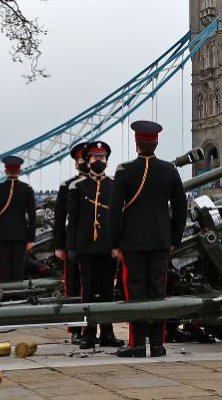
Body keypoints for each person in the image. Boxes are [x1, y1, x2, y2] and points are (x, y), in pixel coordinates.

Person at [109, 121, 187, 358]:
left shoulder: (124, 171)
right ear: (156, 142)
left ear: (136, 143)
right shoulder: (169, 170)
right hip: (161, 241)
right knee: (158, 291)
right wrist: (174, 238)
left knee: (135, 292)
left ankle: (137, 345)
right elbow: (181, 207)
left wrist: (114, 243)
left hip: (132, 242)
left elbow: (114, 210)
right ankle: (157, 345)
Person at [70, 141, 123, 349]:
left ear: (107, 161)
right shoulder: (78, 187)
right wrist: (72, 247)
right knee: (89, 292)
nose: (98, 161)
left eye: (101, 158)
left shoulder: (113, 185)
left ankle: (107, 333)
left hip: (107, 247)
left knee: (107, 291)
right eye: (94, 158)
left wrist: (117, 244)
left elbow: (118, 218)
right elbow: (72, 220)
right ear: (88, 161)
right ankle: (89, 333)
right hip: (86, 248)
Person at [55, 142, 89, 343]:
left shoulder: (106, 184)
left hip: (97, 244)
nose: (84, 162)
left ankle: (102, 328)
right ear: (76, 163)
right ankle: (76, 328)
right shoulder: (67, 186)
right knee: (74, 287)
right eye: (81, 159)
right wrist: (59, 246)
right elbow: (60, 219)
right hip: (73, 244)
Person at [0, 156, 36, 281]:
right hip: (21, 234)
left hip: (1, 235)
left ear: (5, 170)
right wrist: (31, 238)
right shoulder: (27, 189)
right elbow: (32, 216)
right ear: (19, 171)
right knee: (18, 267)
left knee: (3, 268)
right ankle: (18, 297)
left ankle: (6, 297)